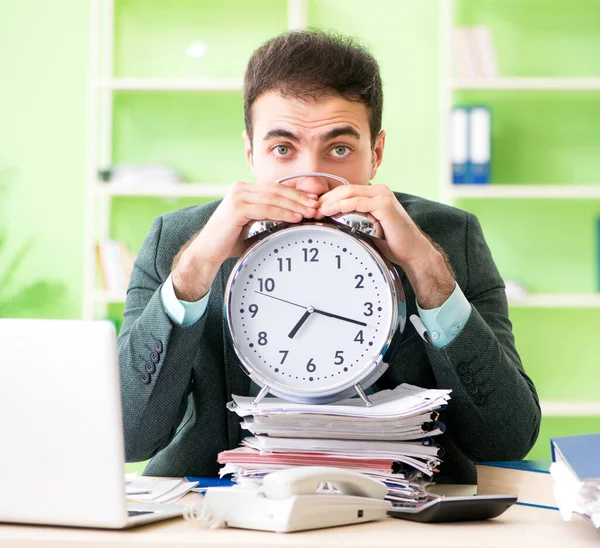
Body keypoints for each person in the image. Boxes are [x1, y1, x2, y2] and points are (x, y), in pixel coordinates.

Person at [118, 29, 540, 484]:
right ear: (251, 152)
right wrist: (194, 271)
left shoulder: (447, 238)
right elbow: (128, 438)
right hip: (228, 506)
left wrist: (427, 271)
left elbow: (507, 438)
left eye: (339, 149)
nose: (311, 183)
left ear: (375, 154)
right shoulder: (180, 242)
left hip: (404, 510)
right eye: (283, 149)